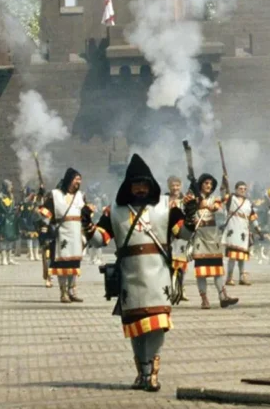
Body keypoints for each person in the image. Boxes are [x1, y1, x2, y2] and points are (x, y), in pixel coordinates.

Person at [83, 154, 183, 392]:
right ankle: (143, 372)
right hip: (130, 275)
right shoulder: (114, 211)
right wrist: (86, 225)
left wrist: (188, 215)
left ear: (151, 184)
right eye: (136, 184)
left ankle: (153, 372)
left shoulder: (167, 207)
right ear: (129, 185)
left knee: (157, 324)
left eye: (144, 184)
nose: (140, 188)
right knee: (136, 327)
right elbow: (99, 240)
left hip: (158, 274)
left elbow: (184, 233)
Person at [180, 174, 238, 310]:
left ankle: (223, 296)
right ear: (200, 184)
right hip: (199, 235)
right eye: (206, 183)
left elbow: (220, 204)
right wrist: (194, 203)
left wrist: (225, 185)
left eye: (211, 184)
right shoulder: (192, 197)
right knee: (201, 271)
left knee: (218, 270)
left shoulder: (214, 199)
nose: (209, 186)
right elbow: (185, 208)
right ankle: (204, 300)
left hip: (213, 236)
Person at [40, 168, 93, 303]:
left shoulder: (80, 196)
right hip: (61, 234)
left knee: (74, 264)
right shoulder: (55, 195)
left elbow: (85, 214)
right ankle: (63, 293)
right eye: (76, 179)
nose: (79, 182)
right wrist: (46, 229)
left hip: (76, 233)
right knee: (62, 264)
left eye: (80, 180)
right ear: (70, 179)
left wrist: (88, 211)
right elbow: (45, 212)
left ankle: (72, 291)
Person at [223, 181, 259, 286]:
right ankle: (229, 278)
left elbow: (252, 216)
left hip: (244, 229)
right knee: (232, 256)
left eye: (244, 189)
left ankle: (242, 277)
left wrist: (257, 228)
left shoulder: (248, 202)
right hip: (233, 229)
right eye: (240, 188)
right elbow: (223, 192)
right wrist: (224, 181)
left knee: (242, 256)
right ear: (236, 189)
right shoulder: (231, 199)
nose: (242, 190)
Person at [164, 177, 189, 302]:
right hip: (167, 234)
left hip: (181, 235)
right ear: (169, 186)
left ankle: (181, 289)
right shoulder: (163, 200)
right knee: (168, 263)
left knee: (182, 264)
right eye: (173, 185)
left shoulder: (185, 200)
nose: (175, 188)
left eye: (177, 185)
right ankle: (170, 289)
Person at [0, 180, 21, 266]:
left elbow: (12, 208)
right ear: (6, 186)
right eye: (10, 186)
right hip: (3, 220)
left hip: (12, 220)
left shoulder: (11, 196)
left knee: (11, 238)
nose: (12, 187)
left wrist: (17, 209)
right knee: (3, 239)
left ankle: (10, 258)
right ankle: (3, 259)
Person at [19, 185, 42, 262]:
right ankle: (31, 254)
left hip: (36, 222)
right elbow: (22, 214)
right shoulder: (24, 204)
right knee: (29, 239)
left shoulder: (36, 204)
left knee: (36, 239)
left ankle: (36, 254)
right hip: (29, 222)